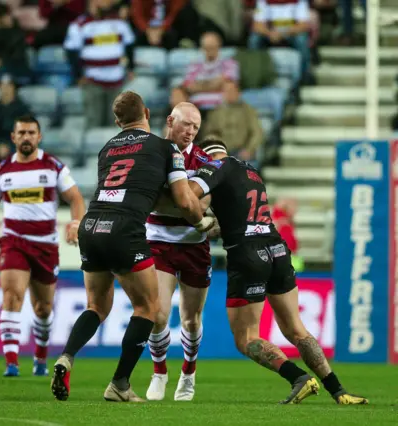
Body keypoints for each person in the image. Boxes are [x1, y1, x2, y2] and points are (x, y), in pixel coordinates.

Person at [50, 91, 214, 403]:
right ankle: (120, 384)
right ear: (149, 114)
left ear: (116, 121)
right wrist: (203, 221)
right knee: (149, 309)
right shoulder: (165, 148)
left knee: (96, 306)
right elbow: (183, 200)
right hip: (126, 230)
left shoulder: (106, 148)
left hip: (92, 224)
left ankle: (67, 355)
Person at [188, 137, 368, 405]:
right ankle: (338, 391)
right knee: (296, 328)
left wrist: (196, 220)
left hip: (248, 254)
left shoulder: (215, 166)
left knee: (245, 338)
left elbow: (189, 195)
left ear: (207, 154)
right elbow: (242, 218)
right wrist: (215, 228)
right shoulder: (251, 171)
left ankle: (298, 377)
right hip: (278, 250)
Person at [0, 114, 86, 377]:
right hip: (14, 242)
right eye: (21, 133)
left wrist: (76, 222)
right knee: (12, 296)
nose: (26, 137)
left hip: (46, 246)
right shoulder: (2, 171)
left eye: (31, 133)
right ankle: (11, 362)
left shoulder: (53, 167)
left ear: (39, 136)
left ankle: (40, 356)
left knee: (44, 309)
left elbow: (76, 198)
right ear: (13, 138)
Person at [144, 102, 213, 401]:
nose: (190, 132)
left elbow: (203, 204)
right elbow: (176, 204)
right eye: (186, 124)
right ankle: (159, 372)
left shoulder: (204, 160)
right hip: (158, 239)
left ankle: (188, 372)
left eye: (196, 128)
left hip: (194, 245)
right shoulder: (151, 153)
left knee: (191, 319)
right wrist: (184, 204)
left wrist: (171, 200)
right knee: (157, 314)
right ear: (171, 120)